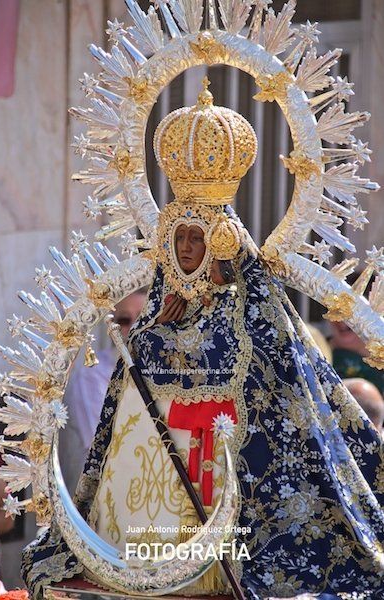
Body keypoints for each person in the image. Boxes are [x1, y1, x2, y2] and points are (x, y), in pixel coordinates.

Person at [23, 80, 384, 599]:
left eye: (198, 238)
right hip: (150, 482)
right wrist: (154, 333)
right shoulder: (155, 316)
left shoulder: (256, 312)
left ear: (221, 241)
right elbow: (126, 400)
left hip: (224, 468)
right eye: (181, 237)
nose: (189, 248)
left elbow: (282, 393)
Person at [59, 290, 146, 488]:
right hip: (119, 485)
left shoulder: (174, 367)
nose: (134, 327)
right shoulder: (93, 373)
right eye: (124, 320)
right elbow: (100, 443)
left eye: (143, 317)